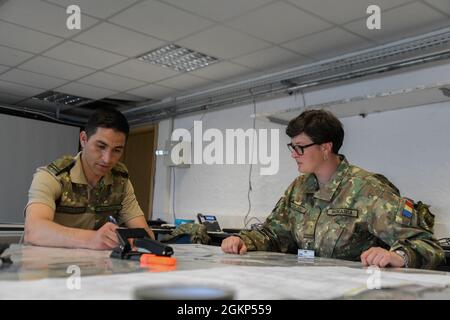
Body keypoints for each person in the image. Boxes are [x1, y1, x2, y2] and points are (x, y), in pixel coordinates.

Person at [222, 109, 444, 269]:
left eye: (300, 147)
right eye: (292, 147)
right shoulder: (298, 188)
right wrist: (245, 241)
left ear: (326, 148)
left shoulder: (368, 190)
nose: (293, 154)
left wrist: (397, 256)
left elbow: (426, 245)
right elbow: (273, 234)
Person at [24, 108, 154, 250]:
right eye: (100, 146)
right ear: (84, 139)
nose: (107, 159)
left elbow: (144, 234)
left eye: (117, 150)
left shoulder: (120, 181)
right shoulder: (52, 176)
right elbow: (34, 231)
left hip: (91, 266)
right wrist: (93, 239)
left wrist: (132, 239)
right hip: (46, 265)